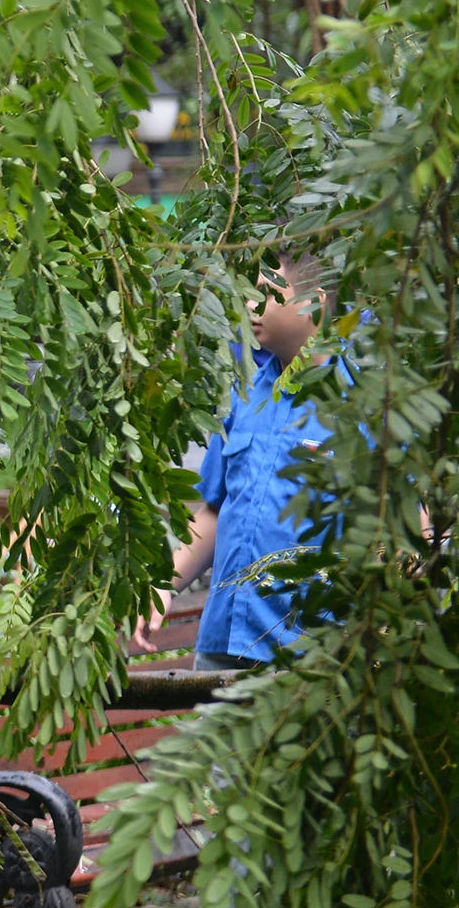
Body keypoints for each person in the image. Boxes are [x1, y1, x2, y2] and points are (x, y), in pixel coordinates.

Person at [135, 255, 335, 669]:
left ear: (312, 304)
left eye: (265, 295)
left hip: (312, 659)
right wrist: (162, 588)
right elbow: (216, 510)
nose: (248, 307)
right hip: (224, 645)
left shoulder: (362, 406)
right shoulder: (244, 398)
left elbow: (405, 536)